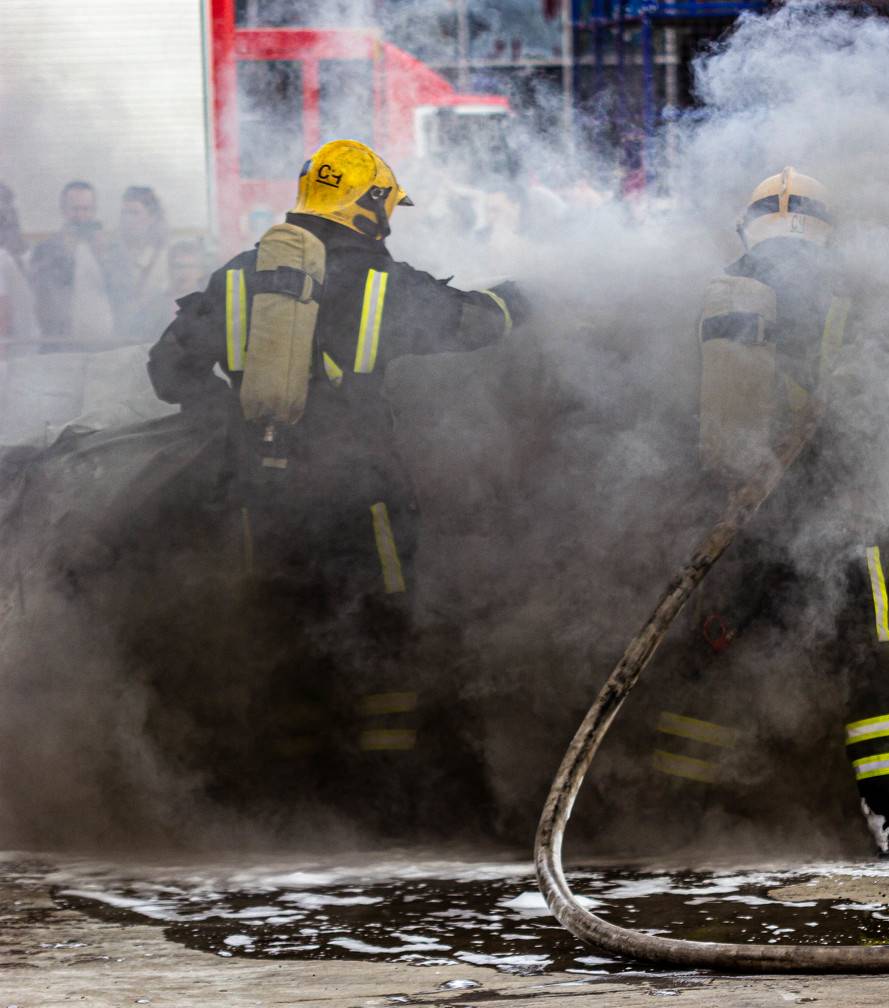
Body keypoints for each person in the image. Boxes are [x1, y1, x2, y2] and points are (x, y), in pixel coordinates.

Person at [146, 139, 522, 826]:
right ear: (369, 205)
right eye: (388, 207)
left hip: (262, 504)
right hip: (362, 499)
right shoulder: (381, 282)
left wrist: (227, 412)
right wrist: (517, 300)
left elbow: (167, 373)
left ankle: (295, 801)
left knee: (289, 637)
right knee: (383, 640)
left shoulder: (236, 276)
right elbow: (475, 325)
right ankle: (387, 800)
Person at [651, 167, 889, 858]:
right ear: (826, 228)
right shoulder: (851, 292)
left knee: (712, 652)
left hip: (749, 512)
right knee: (873, 661)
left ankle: (670, 815)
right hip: (848, 511)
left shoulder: (725, 289)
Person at [27, 180, 117, 349]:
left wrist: (104, 258)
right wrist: (66, 256)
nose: (81, 216)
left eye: (87, 209)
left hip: (106, 344)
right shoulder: (46, 249)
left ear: (94, 210)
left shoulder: (111, 248)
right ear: (63, 210)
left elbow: (124, 293)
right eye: (75, 209)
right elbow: (43, 294)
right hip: (61, 343)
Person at [110, 186, 172, 345]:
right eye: (124, 213)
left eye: (134, 213)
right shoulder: (113, 255)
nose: (127, 219)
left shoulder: (166, 255)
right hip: (120, 338)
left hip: (158, 336)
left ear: (151, 217)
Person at [0, 183, 39, 357]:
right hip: (9, 352)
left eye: (8, 204)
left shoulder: (30, 253)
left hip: (33, 345)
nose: (7, 214)